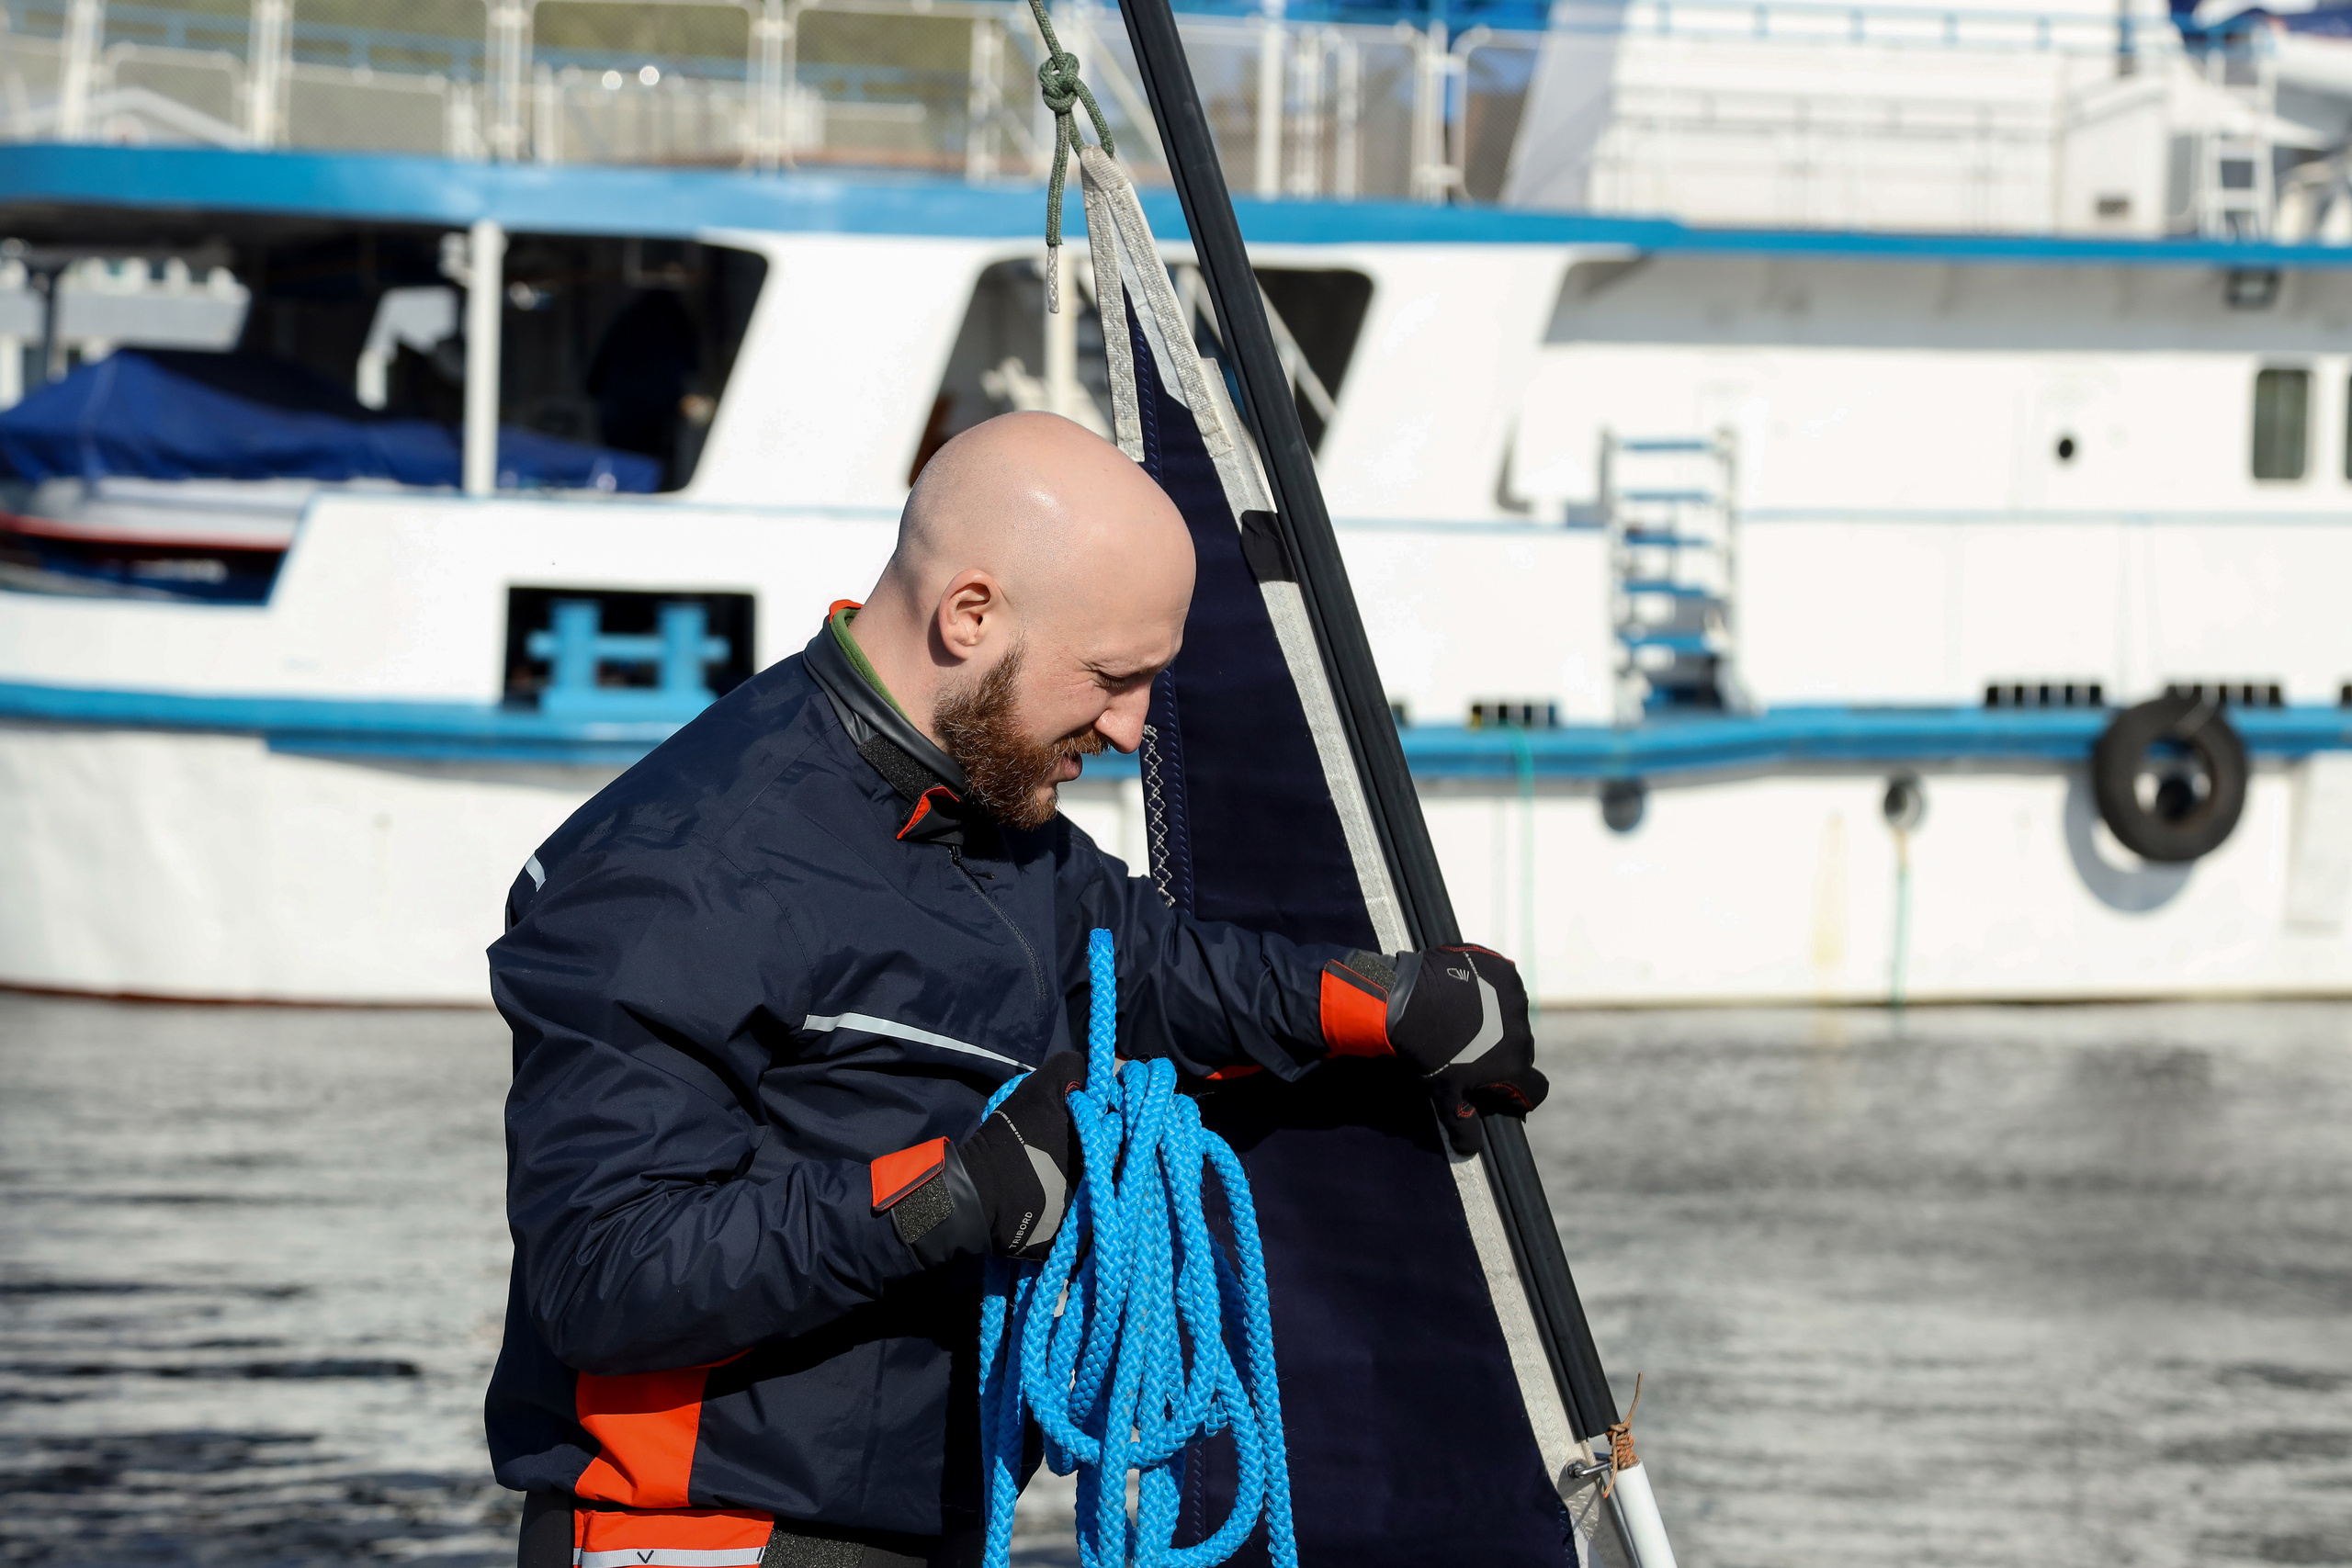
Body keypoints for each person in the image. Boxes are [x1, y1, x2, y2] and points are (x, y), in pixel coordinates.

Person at [484, 412, 1548, 1568]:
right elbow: (604, 1274)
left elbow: (1151, 969)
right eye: (1112, 677)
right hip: (701, 1540)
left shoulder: (988, 817)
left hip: (927, 1522)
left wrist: (1388, 1003)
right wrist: (953, 1194)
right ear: (970, 615)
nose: (1131, 727)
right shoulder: (677, 867)